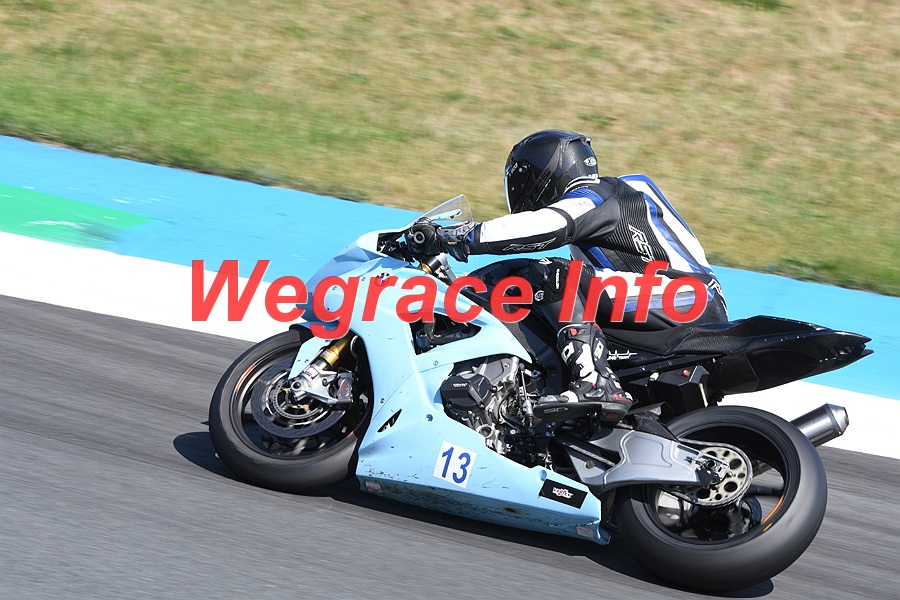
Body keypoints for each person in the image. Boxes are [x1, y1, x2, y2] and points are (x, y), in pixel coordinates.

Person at [409, 129, 727, 425]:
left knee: (551, 275)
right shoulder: (610, 211)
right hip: (678, 303)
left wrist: (455, 236)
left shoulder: (600, 192)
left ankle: (595, 382)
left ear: (544, 174)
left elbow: (547, 225)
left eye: (522, 181)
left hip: (685, 297)